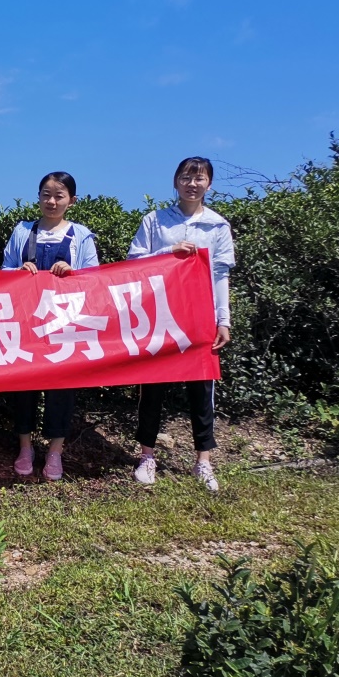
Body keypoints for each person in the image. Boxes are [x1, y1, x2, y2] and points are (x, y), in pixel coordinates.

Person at [127, 156, 234, 492]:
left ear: (209, 184)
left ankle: (204, 461)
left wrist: (223, 319)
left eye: (199, 178)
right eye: (186, 177)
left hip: (200, 317)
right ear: (175, 181)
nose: (192, 184)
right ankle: (147, 456)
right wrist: (168, 252)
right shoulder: (155, 221)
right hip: (158, 315)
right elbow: (133, 263)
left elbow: (220, 275)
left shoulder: (217, 226)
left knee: (201, 390)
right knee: (152, 388)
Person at [1, 171, 100, 481]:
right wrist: (19, 271)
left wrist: (72, 272)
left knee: (62, 388)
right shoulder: (22, 231)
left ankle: (55, 450)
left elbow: (95, 278)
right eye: (46, 194)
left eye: (59, 196)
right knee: (23, 386)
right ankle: (25, 447)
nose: (52, 201)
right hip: (27, 322)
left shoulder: (81, 236)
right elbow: (3, 271)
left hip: (64, 324)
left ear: (72, 200)